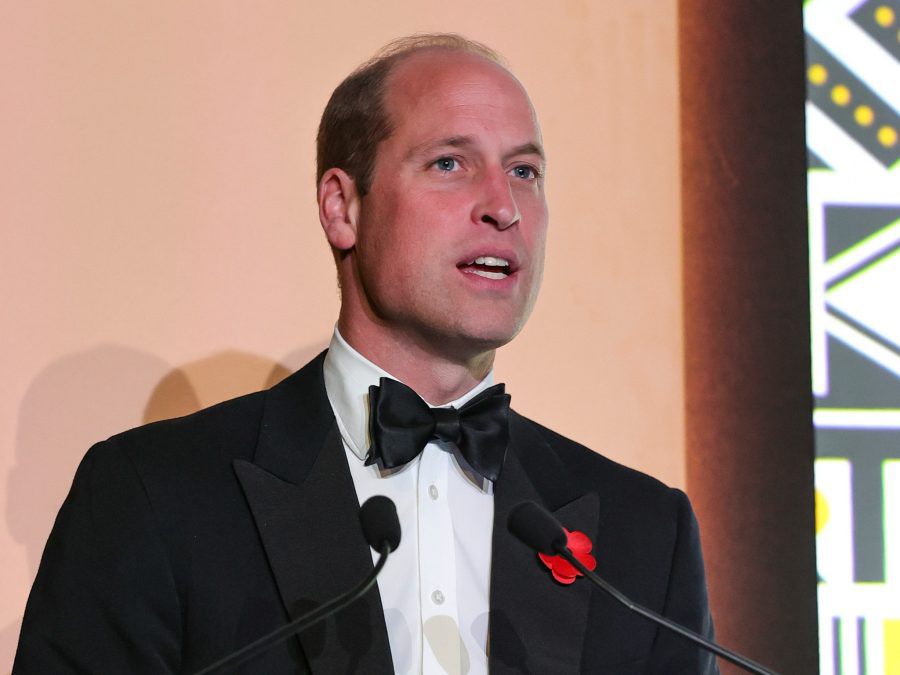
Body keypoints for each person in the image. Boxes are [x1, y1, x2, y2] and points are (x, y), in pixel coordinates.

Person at [15, 34, 716, 674]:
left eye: (525, 171)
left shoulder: (646, 539)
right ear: (341, 208)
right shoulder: (155, 498)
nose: (503, 206)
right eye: (450, 162)